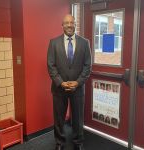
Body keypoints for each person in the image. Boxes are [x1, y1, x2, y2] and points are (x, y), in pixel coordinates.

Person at [47, 14, 92, 150]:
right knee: (59, 118)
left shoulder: (85, 43)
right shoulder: (53, 43)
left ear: (75, 24)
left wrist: (78, 82)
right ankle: (59, 142)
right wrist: (61, 82)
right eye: (66, 23)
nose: (69, 25)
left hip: (78, 88)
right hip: (59, 88)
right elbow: (51, 65)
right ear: (62, 25)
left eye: (71, 22)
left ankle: (78, 142)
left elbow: (87, 66)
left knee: (78, 118)